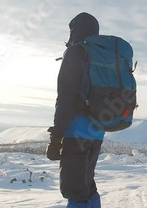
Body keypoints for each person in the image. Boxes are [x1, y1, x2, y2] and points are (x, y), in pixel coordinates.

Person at [47, 12, 105, 208]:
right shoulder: (102, 57)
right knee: (87, 185)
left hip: (76, 131)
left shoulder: (76, 53)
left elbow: (65, 98)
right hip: (97, 130)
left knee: (74, 189)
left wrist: (56, 138)